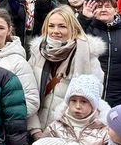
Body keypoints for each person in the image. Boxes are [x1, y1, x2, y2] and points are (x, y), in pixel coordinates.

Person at [26, 7, 104, 136]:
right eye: (51, 26)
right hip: (36, 129)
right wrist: (35, 130)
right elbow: (28, 92)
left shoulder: (88, 55)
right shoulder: (37, 53)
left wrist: (64, 131)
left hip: (70, 133)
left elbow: (94, 99)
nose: (55, 31)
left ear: (73, 28)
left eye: (62, 26)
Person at [0, 9, 40, 119]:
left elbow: (31, 100)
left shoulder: (17, 62)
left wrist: (0, 118)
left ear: (9, 30)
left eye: (0, 28)